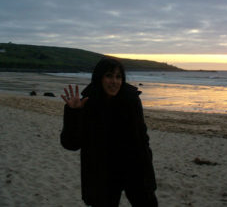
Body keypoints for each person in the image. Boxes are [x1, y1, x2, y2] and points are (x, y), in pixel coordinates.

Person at [60, 58, 158, 207]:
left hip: (134, 170)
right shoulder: (87, 103)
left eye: (118, 77)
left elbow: (142, 141)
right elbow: (71, 144)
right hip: (102, 174)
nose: (114, 81)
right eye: (109, 75)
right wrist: (74, 112)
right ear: (99, 77)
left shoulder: (131, 101)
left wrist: (148, 179)